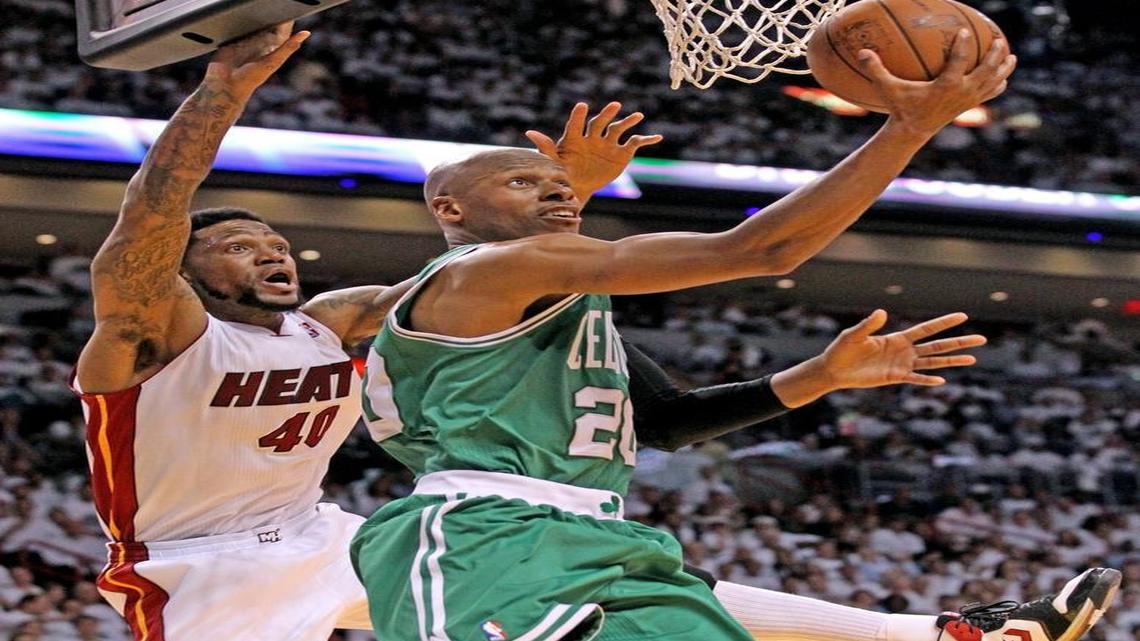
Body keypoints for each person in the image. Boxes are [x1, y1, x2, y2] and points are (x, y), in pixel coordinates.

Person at [65, 22, 998, 641]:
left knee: (602, 575)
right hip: (194, 563)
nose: (271, 252)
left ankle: (930, 629)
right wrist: (224, 91)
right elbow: (150, 217)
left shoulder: (332, 322)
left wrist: (561, 195)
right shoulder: (152, 333)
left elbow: (488, 288)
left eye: (276, 241)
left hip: (325, 532)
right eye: (239, 245)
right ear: (185, 268)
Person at [352, 28, 1119, 641]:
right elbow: (761, 250)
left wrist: (822, 375)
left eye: (564, 186)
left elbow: (667, 419)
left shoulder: (549, 306)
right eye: (526, 182)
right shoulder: (490, 271)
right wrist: (908, 128)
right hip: (480, 534)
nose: (559, 193)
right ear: (449, 209)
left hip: (600, 536)